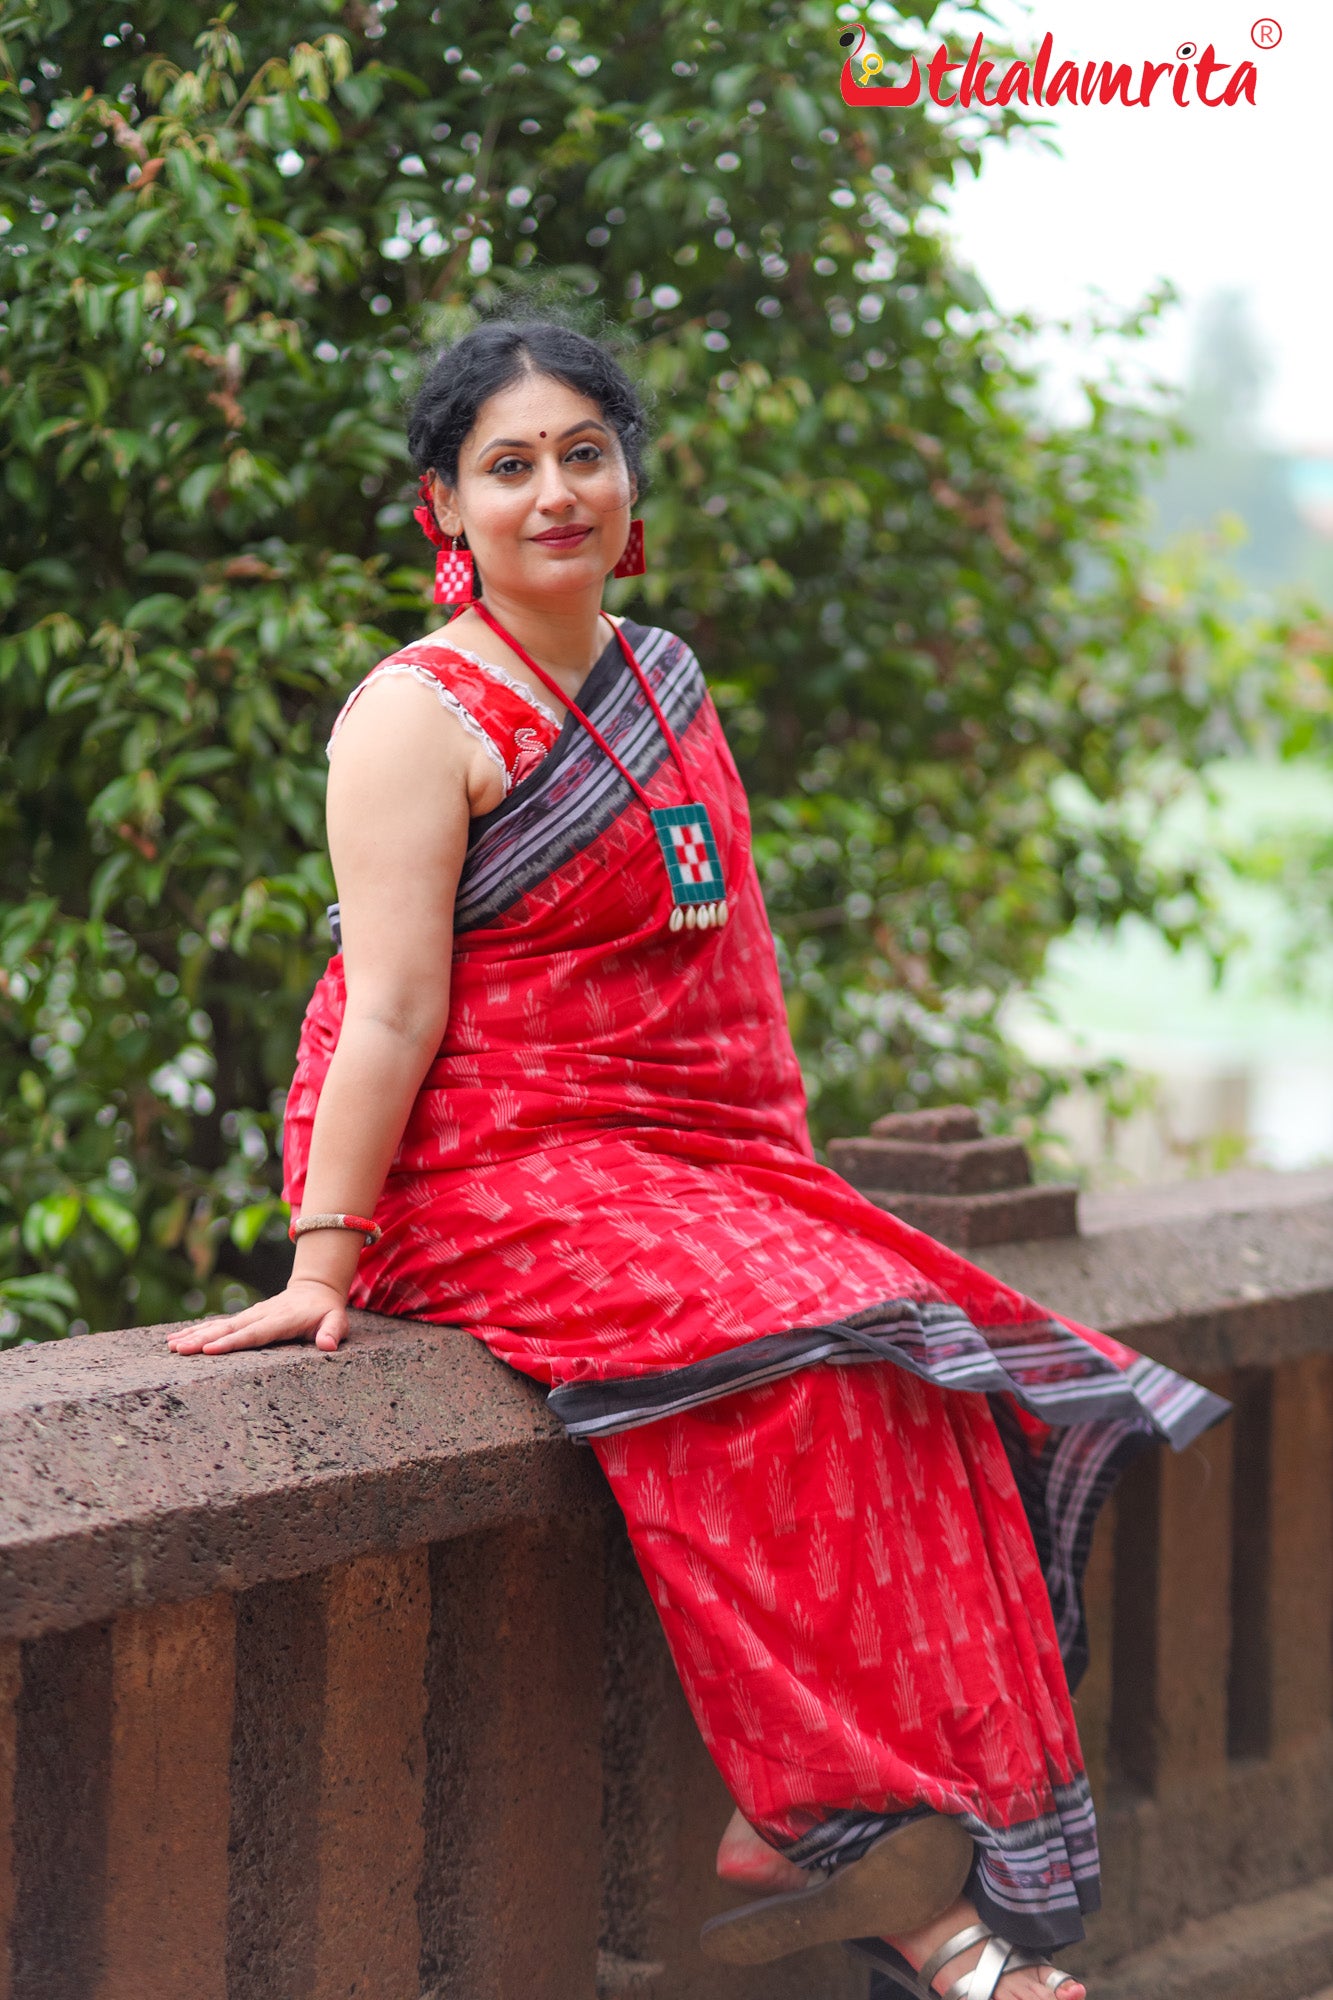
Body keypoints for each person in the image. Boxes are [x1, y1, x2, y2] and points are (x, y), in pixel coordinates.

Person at [168, 316, 1226, 2000]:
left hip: (680, 1158)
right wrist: (322, 1262)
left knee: (908, 1336)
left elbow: (726, 965)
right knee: (807, 1345)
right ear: (445, 504)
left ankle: (865, 1834)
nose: (554, 491)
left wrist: (773, 1174)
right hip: (479, 1167)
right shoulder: (412, 717)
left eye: (583, 450)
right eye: (507, 466)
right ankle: (842, 1833)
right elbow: (386, 1014)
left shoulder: (661, 680)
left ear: (628, 474)